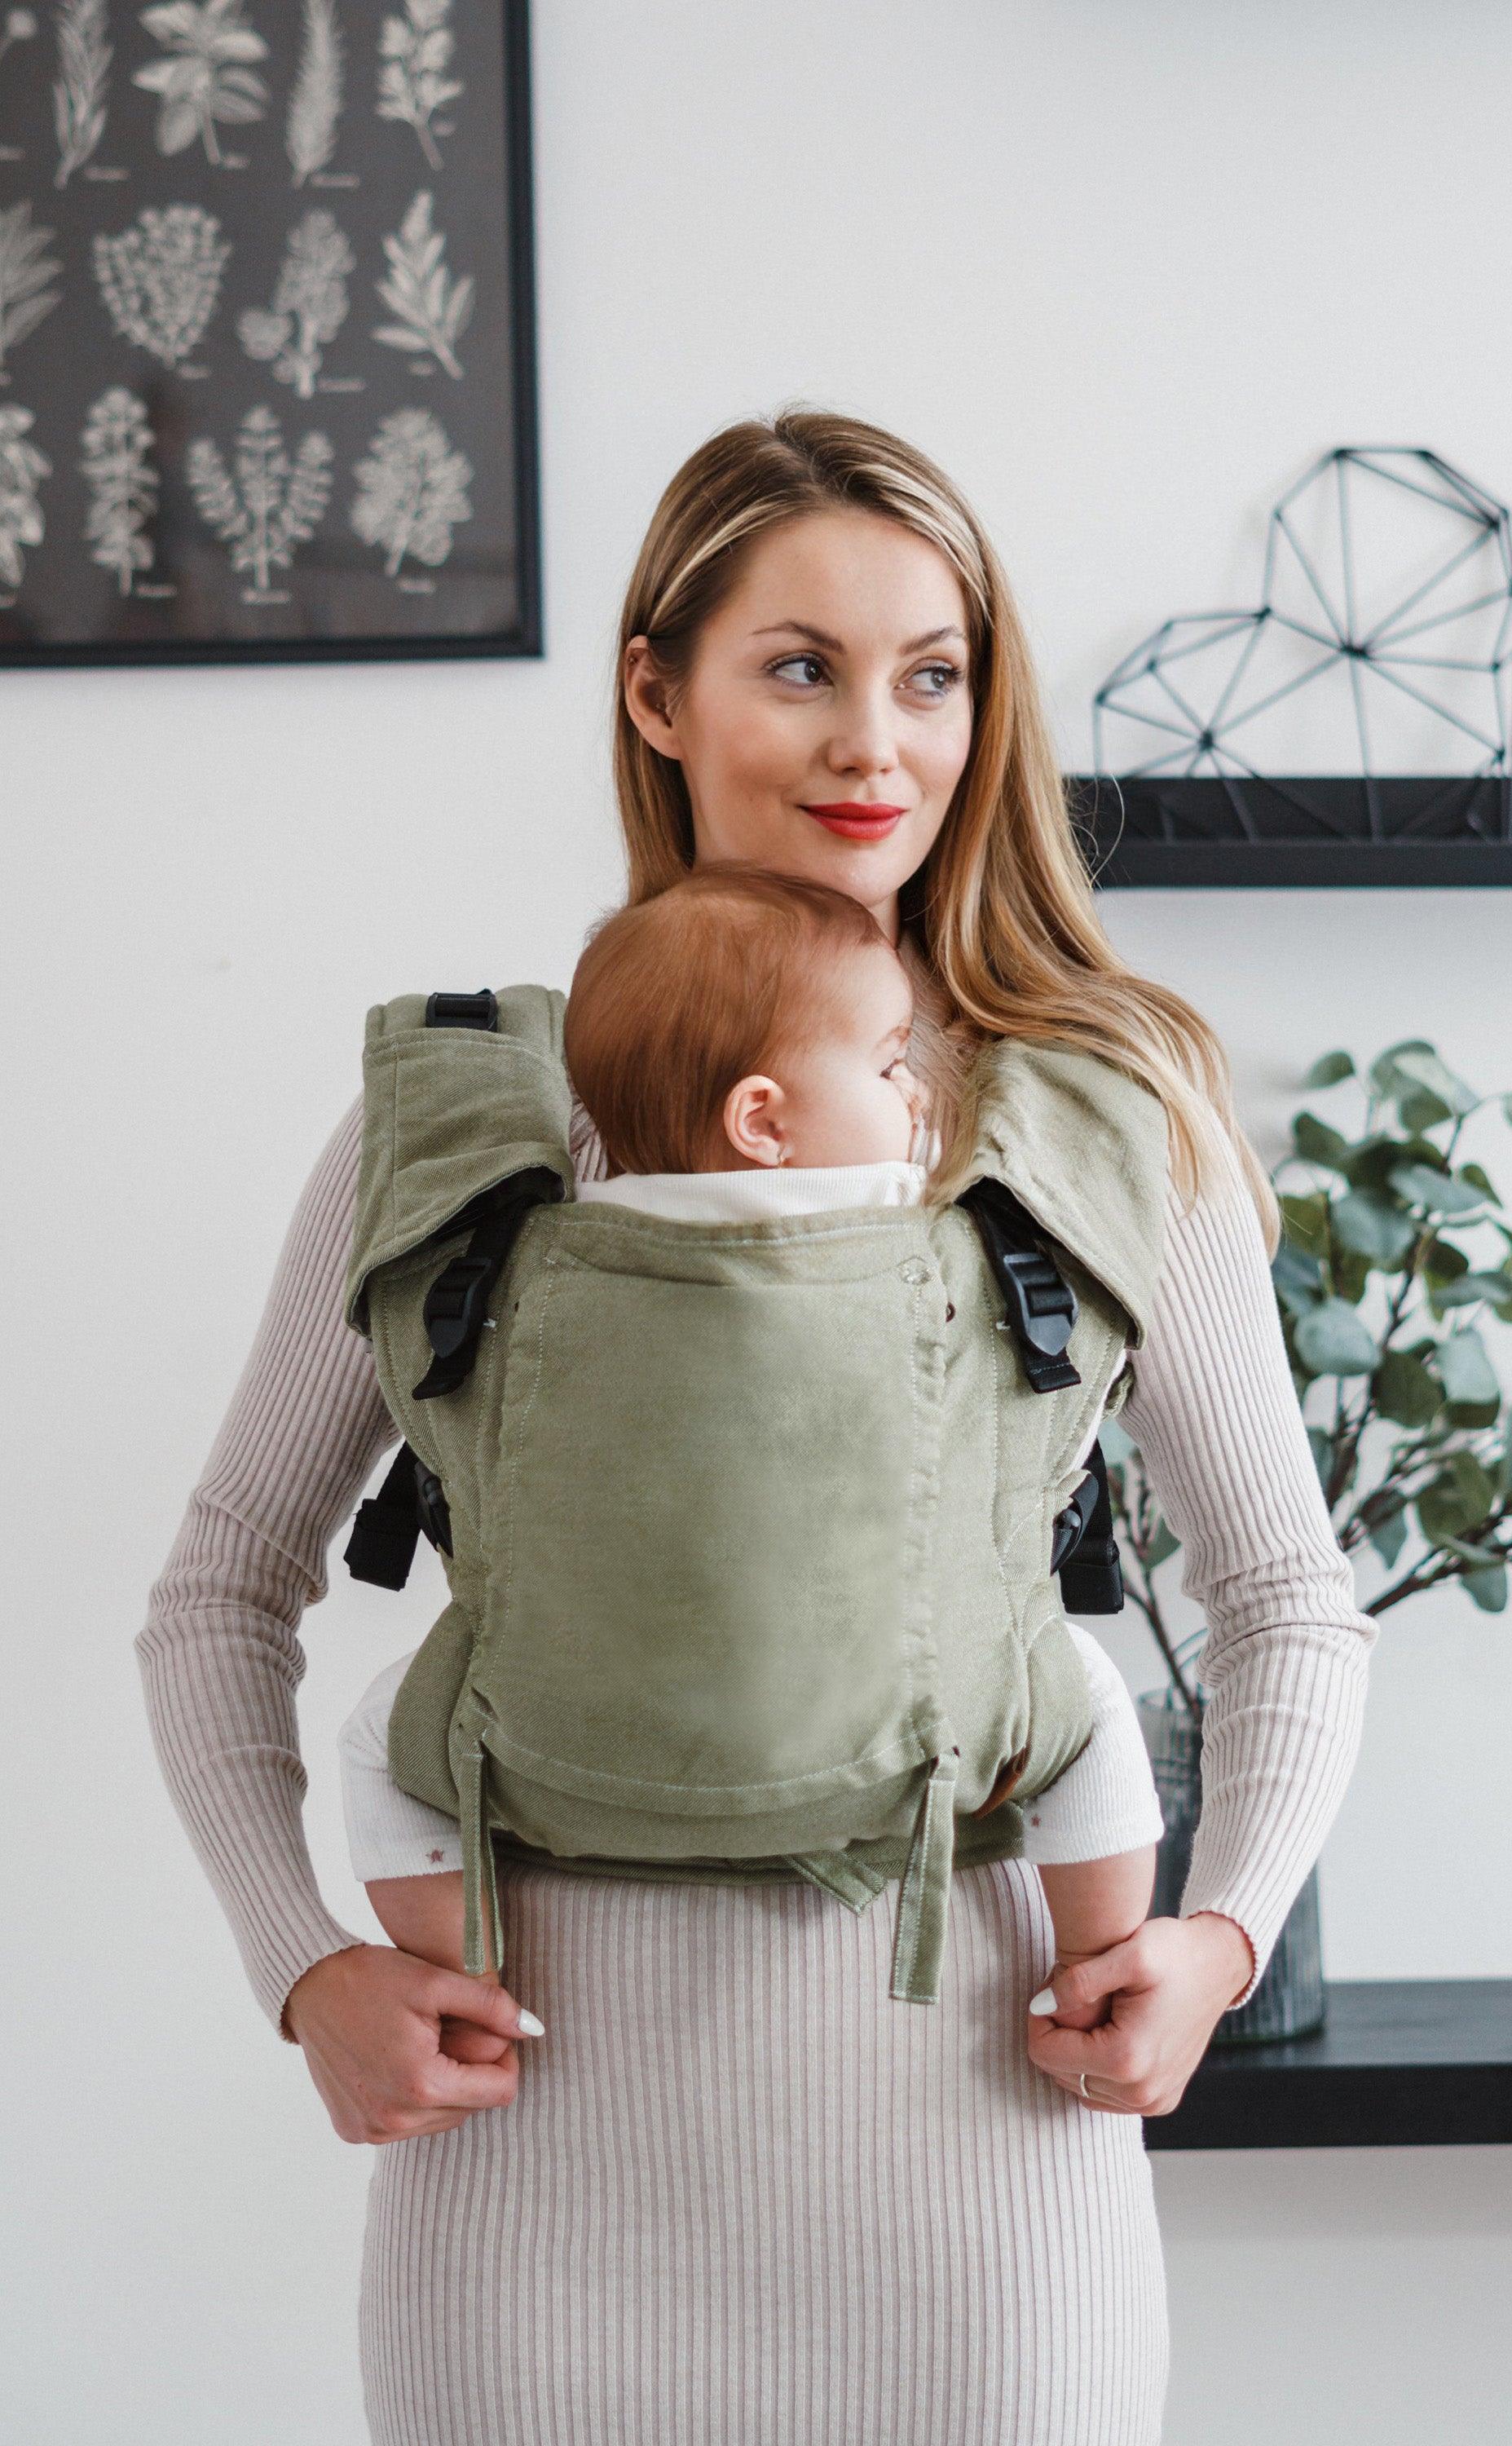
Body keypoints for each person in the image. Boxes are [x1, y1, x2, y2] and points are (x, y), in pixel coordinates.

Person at [137, 406, 1377, 2446]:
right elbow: (218, 1596)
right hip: (535, 2196)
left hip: (984, 2186)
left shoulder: (1103, 1113)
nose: (872, 744)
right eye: (797, 667)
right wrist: (303, 1966)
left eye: (933, 674)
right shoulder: (453, 1124)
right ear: (658, 691)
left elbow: (1286, 1601)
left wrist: (1218, 1935)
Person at [334, 863, 1165, 2006]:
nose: (917, 1098)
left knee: (383, 1736)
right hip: (931, 1751)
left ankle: (458, 1973)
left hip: (545, 1754)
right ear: (764, 1122)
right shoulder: (924, 1229)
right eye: (888, 1065)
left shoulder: (517, 1263)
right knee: (1089, 1702)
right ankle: (1101, 1960)